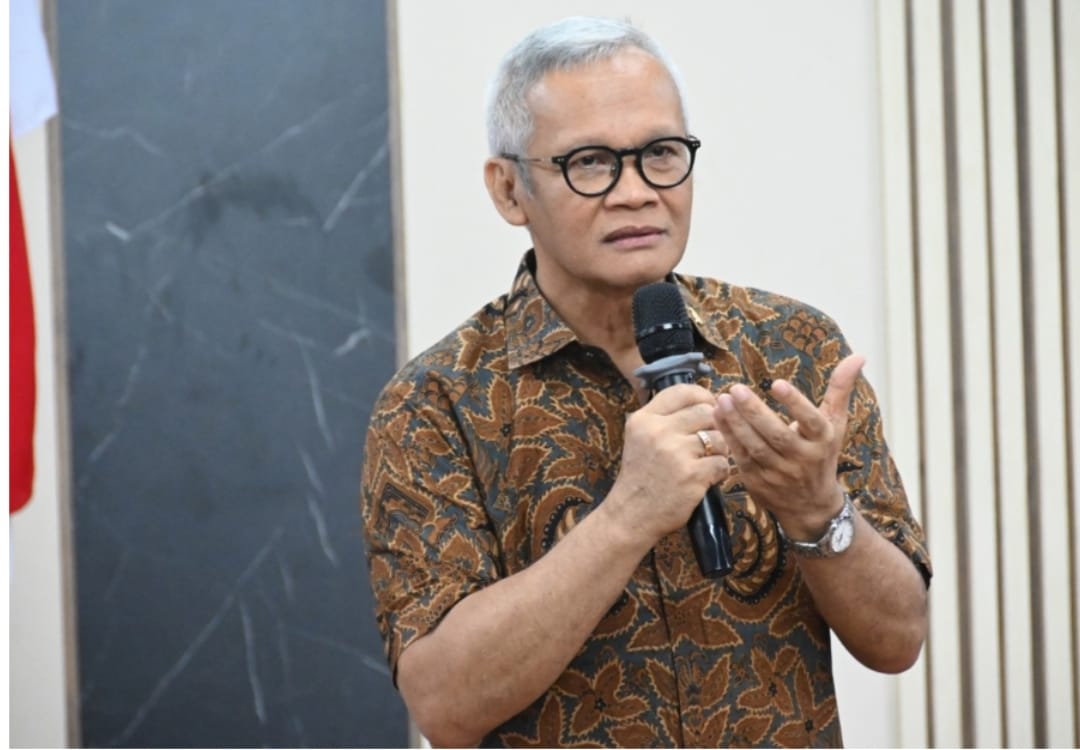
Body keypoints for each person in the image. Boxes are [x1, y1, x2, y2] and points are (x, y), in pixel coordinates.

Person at [360, 16, 931, 748]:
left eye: (661, 154)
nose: (635, 192)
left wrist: (819, 512)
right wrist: (627, 516)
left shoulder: (792, 349)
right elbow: (445, 706)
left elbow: (898, 641)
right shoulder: (435, 403)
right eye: (590, 162)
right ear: (509, 190)